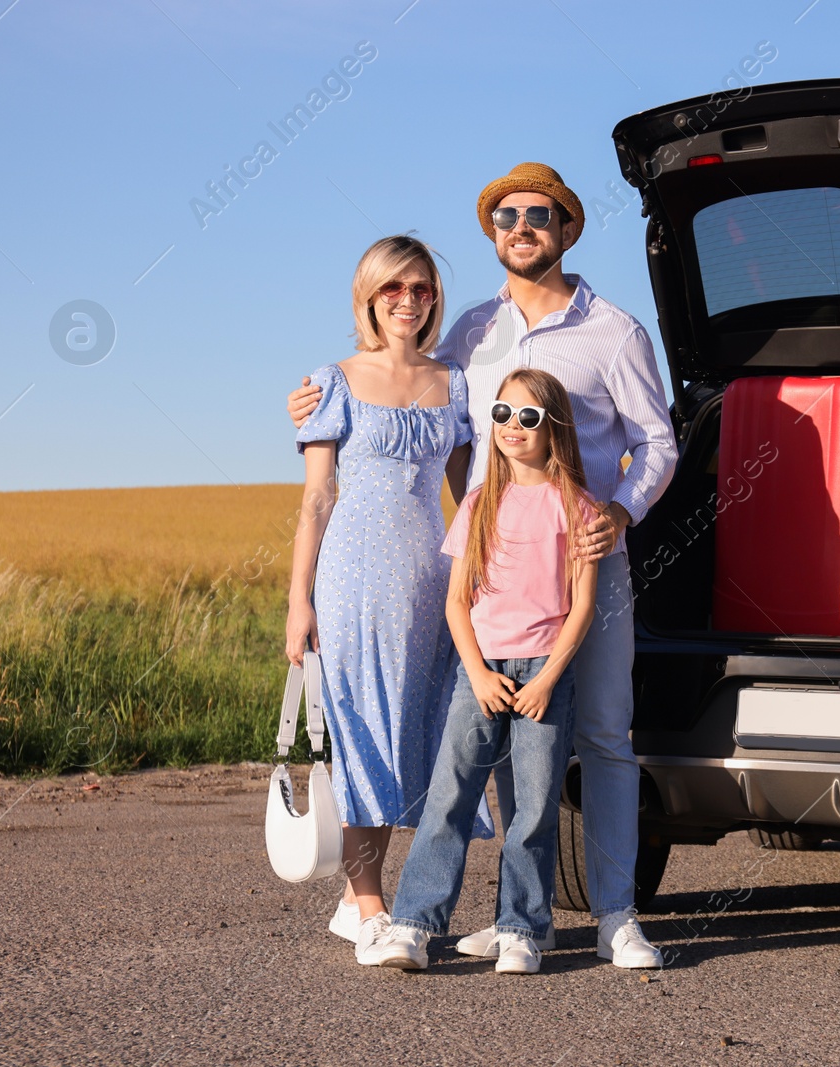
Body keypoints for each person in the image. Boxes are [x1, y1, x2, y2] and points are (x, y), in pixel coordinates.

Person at [291, 162, 678, 968]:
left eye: (540, 214)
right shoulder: (469, 333)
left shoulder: (614, 331)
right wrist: (314, 401)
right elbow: (427, 417)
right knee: (495, 742)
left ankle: (614, 913)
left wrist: (618, 510)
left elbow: (658, 443)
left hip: (586, 567)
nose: (522, 227)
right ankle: (512, 918)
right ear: (493, 233)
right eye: (506, 216)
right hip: (490, 576)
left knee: (603, 732)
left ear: (568, 229)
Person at [359, 369, 599, 973]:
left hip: (545, 671)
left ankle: (521, 927)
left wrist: (546, 681)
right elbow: (455, 602)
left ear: (554, 428)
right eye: (500, 415)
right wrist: (479, 672)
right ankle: (414, 925)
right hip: (482, 671)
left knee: (537, 805)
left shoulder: (578, 506)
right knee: (450, 796)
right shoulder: (479, 502)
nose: (511, 428)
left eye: (527, 417)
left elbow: (584, 607)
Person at [285, 234, 473, 966]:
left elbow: (468, 492)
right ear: (369, 296)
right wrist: (298, 599)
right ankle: (370, 904)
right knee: (360, 726)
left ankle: (353, 900)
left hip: (430, 577)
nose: (408, 301)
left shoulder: (452, 382)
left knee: (408, 732)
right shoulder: (331, 379)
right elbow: (316, 497)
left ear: (434, 300)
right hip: (353, 571)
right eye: (393, 288)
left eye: (421, 289)